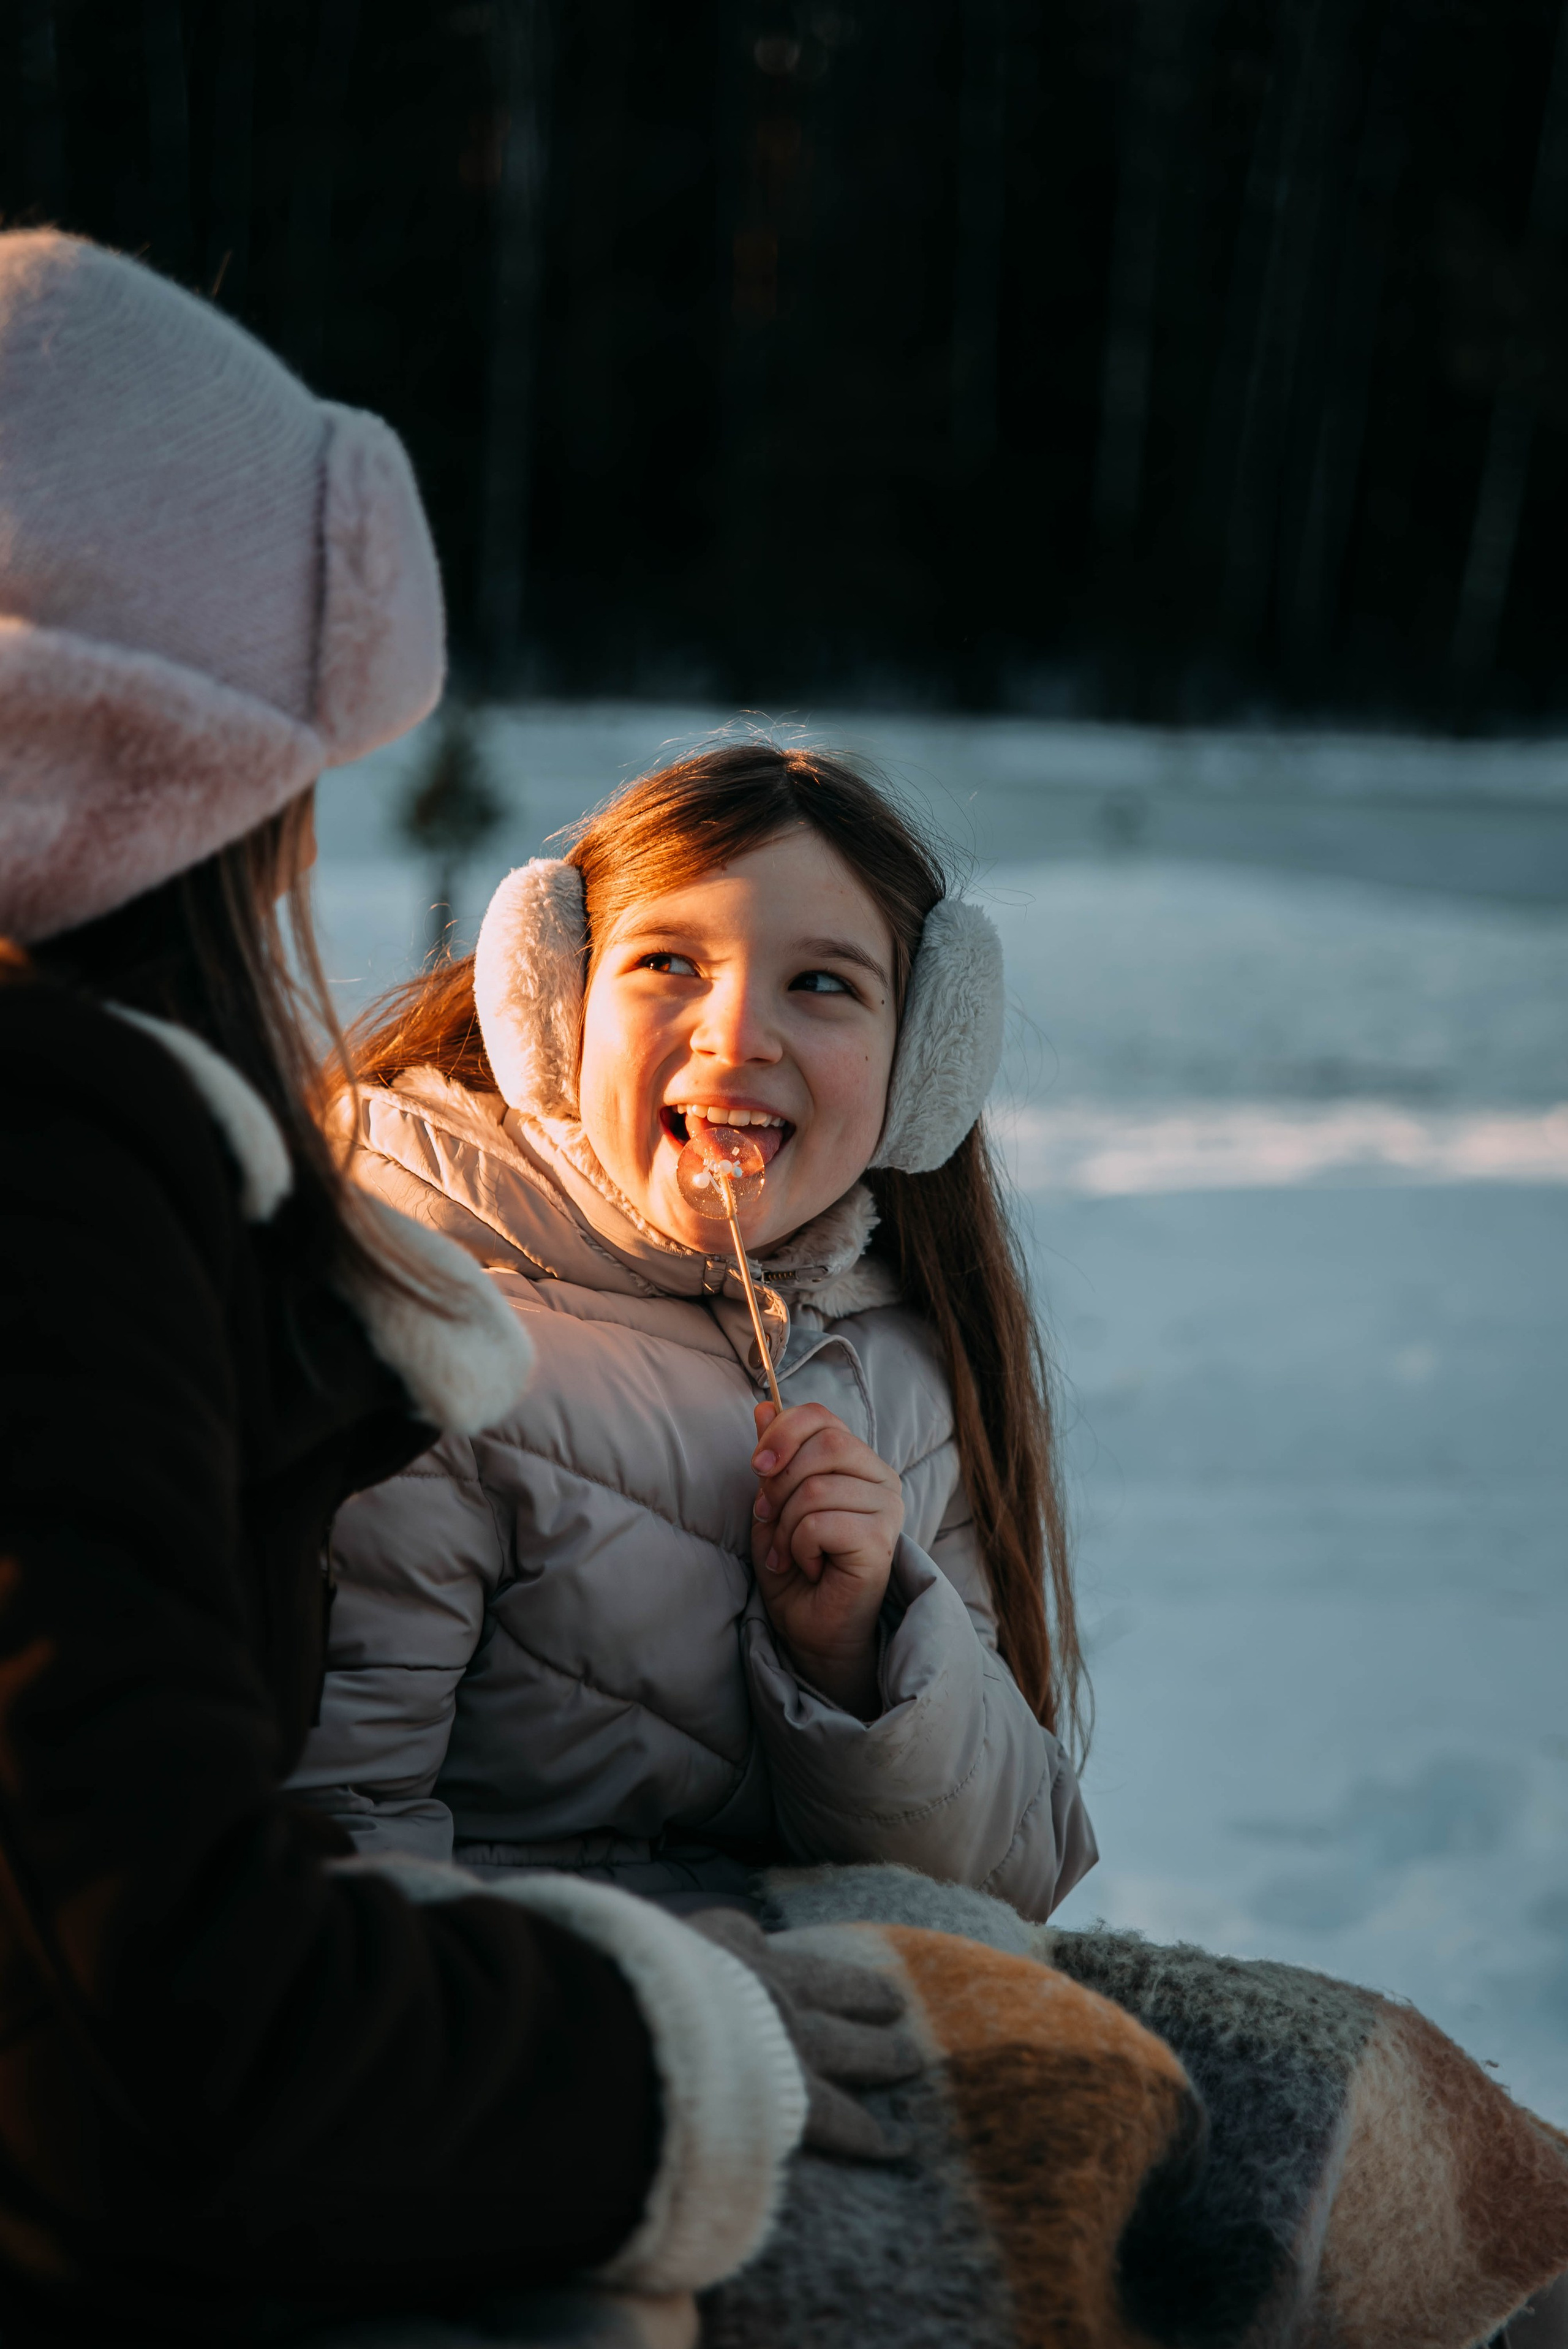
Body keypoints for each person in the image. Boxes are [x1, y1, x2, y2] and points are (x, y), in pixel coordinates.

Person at [0, 230, 833, 2343]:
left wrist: (876, 1650)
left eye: (830, 982)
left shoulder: (885, 1343)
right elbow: (157, 2036)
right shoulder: (51, 1150)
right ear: (173, 766)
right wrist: (685, 2057)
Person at [289, 742, 1097, 1921]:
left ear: (923, 1067)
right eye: (668, 961)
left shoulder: (911, 1381)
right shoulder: (422, 1334)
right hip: (520, 2018)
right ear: (551, 1014)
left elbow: (1013, 1877)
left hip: (814, 1990)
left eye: (822, 983)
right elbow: (334, 1845)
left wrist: (860, 1655)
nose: (736, 1037)